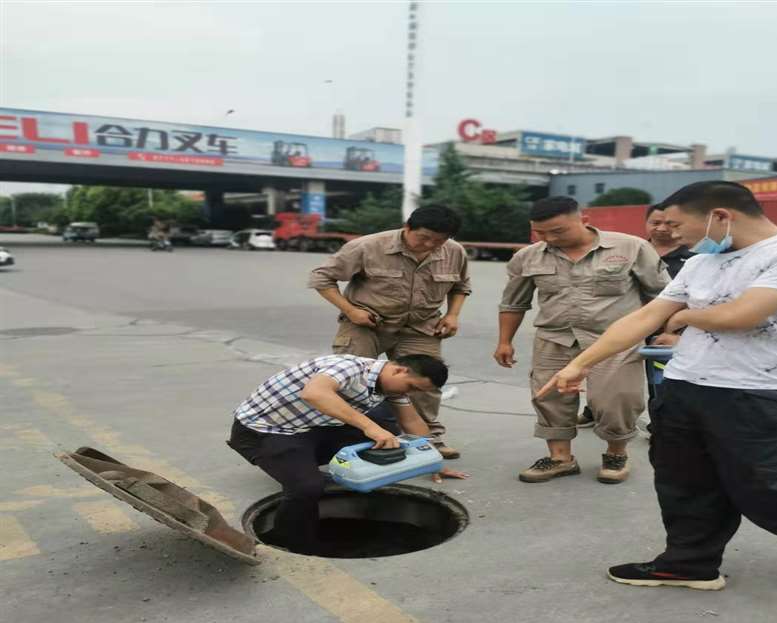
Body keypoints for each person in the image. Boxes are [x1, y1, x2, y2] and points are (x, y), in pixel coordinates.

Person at [539, 181, 777, 590]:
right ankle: (689, 563)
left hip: (759, 393)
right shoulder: (700, 262)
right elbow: (644, 317)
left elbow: (743, 315)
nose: (672, 235)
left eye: (678, 225)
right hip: (685, 386)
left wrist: (684, 318)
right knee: (684, 483)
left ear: (720, 217)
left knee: (762, 487)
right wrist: (580, 364)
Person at [494, 196, 670, 484]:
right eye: (541, 233)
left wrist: (669, 331)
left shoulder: (631, 247)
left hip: (615, 340)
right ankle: (560, 458)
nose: (550, 238)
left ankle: (616, 453)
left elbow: (663, 295)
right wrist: (504, 341)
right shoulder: (528, 257)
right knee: (550, 397)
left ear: (583, 220)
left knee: (616, 399)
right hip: (555, 338)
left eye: (558, 231)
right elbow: (513, 304)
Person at [227, 353, 467, 555]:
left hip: (311, 428)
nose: (411, 393)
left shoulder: (392, 387)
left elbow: (411, 420)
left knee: (390, 434)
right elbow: (315, 394)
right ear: (399, 370)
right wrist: (369, 427)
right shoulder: (349, 368)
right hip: (264, 432)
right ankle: (292, 542)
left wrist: (433, 461)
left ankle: (303, 465)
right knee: (307, 487)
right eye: (412, 387)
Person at [308, 204, 471, 459]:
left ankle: (426, 440)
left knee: (425, 383)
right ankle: (351, 439)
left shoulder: (454, 251)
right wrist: (350, 310)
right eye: (423, 237)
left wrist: (452, 315)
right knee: (353, 383)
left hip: (420, 326)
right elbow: (321, 278)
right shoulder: (367, 246)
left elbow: (461, 286)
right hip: (367, 323)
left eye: (438, 241)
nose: (429, 245)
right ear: (407, 227)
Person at [577, 204, 695, 428]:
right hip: (622, 327)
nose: (661, 228)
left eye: (669, 224)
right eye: (655, 223)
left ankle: (659, 423)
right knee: (606, 376)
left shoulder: (694, 258)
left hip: (664, 330)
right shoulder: (628, 250)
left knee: (659, 381)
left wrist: (676, 331)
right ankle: (594, 411)